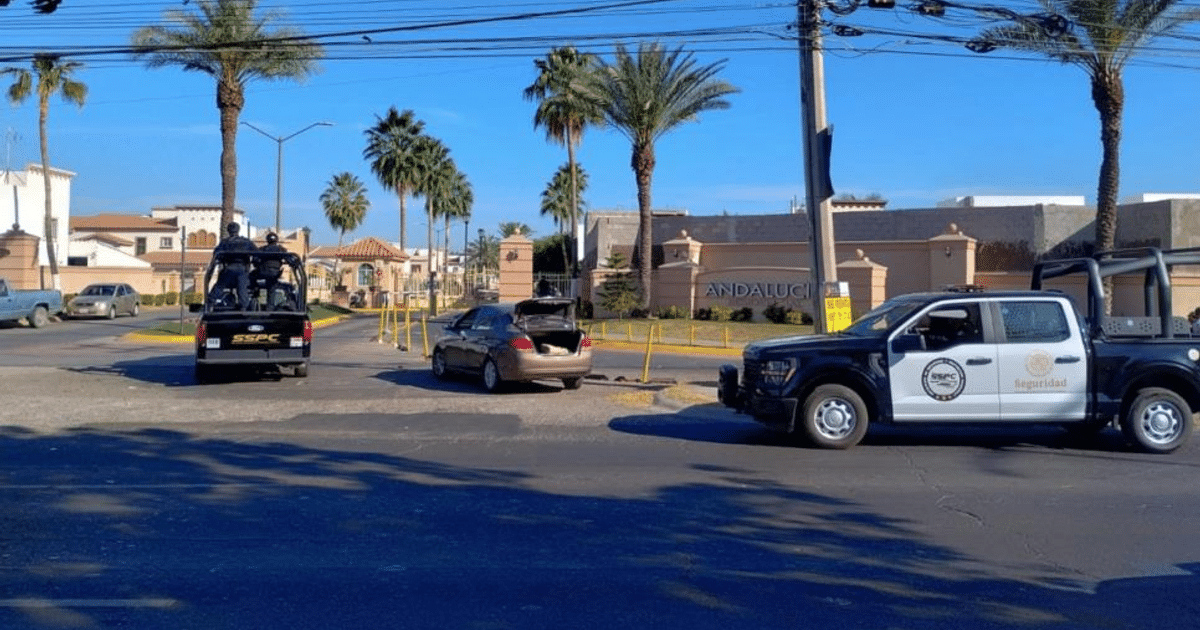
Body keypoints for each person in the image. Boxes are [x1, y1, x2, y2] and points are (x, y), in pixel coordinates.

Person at [212, 222, 257, 310]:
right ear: (238, 230)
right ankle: (244, 309)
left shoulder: (225, 242)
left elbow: (216, 253)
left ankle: (210, 302)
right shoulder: (246, 242)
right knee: (242, 289)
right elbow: (257, 253)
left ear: (228, 231)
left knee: (219, 287)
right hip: (242, 269)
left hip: (229, 268)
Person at [253, 232, 288, 309]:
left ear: (267, 240)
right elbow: (289, 259)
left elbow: (255, 260)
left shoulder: (262, 249)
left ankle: (253, 298)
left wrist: (258, 265)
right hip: (275, 274)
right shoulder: (282, 249)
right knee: (272, 287)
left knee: (251, 278)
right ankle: (270, 307)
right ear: (277, 240)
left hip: (262, 272)